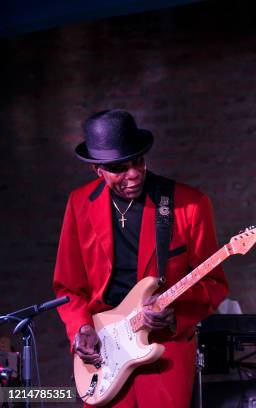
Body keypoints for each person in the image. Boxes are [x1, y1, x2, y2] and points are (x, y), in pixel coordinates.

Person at [53, 109, 228, 407]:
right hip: (105, 348)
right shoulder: (79, 203)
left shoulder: (189, 205)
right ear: (98, 169)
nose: (133, 173)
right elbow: (68, 286)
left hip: (164, 347)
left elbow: (214, 283)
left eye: (138, 161)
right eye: (119, 168)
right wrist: (81, 328)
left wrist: (174, 316)